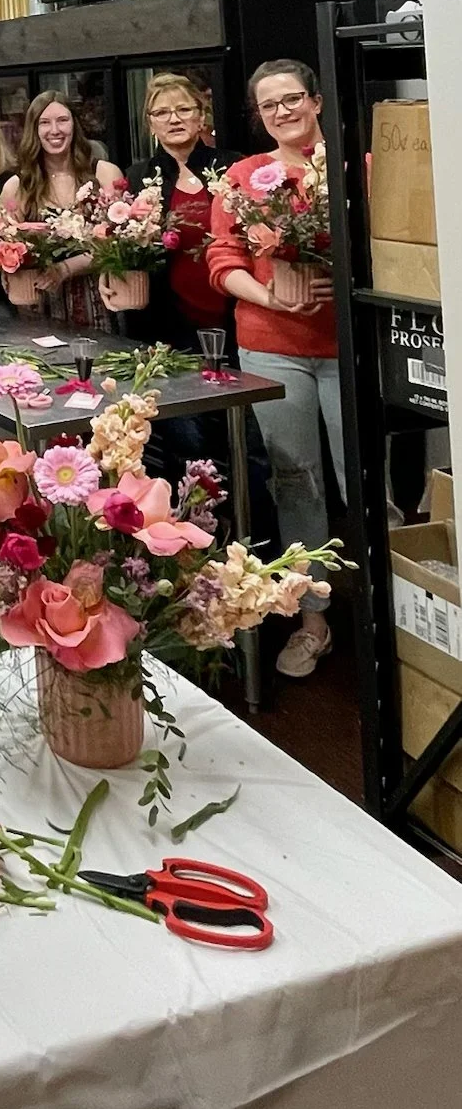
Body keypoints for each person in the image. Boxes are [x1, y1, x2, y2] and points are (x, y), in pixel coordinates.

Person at [208, 58, 339, 679]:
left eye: (291, 100)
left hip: (347, 346)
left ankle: (391, 612)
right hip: (271, 344)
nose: (282, 112)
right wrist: (270, 297)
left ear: (315, 101)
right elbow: (223, 257)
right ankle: (312, 618)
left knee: (359, 480)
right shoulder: (244, 177)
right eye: (269, 106)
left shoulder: (350, 164)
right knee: (296, 478)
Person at [104, 73, 242, 349]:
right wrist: (107, 275)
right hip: (161, 319)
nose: (174, 119)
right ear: (150, 123)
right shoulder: (136, 177)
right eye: (162, 112)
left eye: (184, 109)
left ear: (201, 117)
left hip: (233, 312)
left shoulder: (234, 167)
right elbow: (119, 245)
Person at [0, 91, 126, 330]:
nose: (55, 130)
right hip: (38, 308)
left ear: (75, 125)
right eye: (45, 123)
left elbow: (117, 245)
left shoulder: (104, 174)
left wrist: (66, 269)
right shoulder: (18, 187)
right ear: (34, 130)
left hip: (97, 306)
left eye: (63, 120)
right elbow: (5, 250)